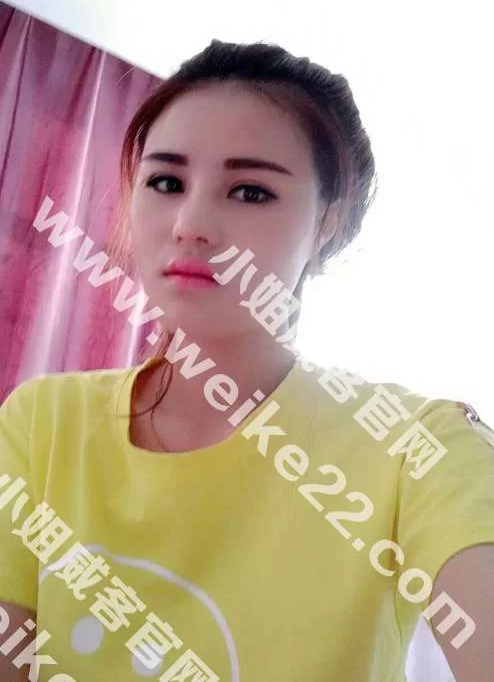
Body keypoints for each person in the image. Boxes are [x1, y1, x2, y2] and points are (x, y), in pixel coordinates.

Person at [1, 39, 494, 682]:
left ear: (328, 224)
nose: (191, 223)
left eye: (251, 191)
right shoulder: (44, 422)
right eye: (166, 182)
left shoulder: (413, 445)